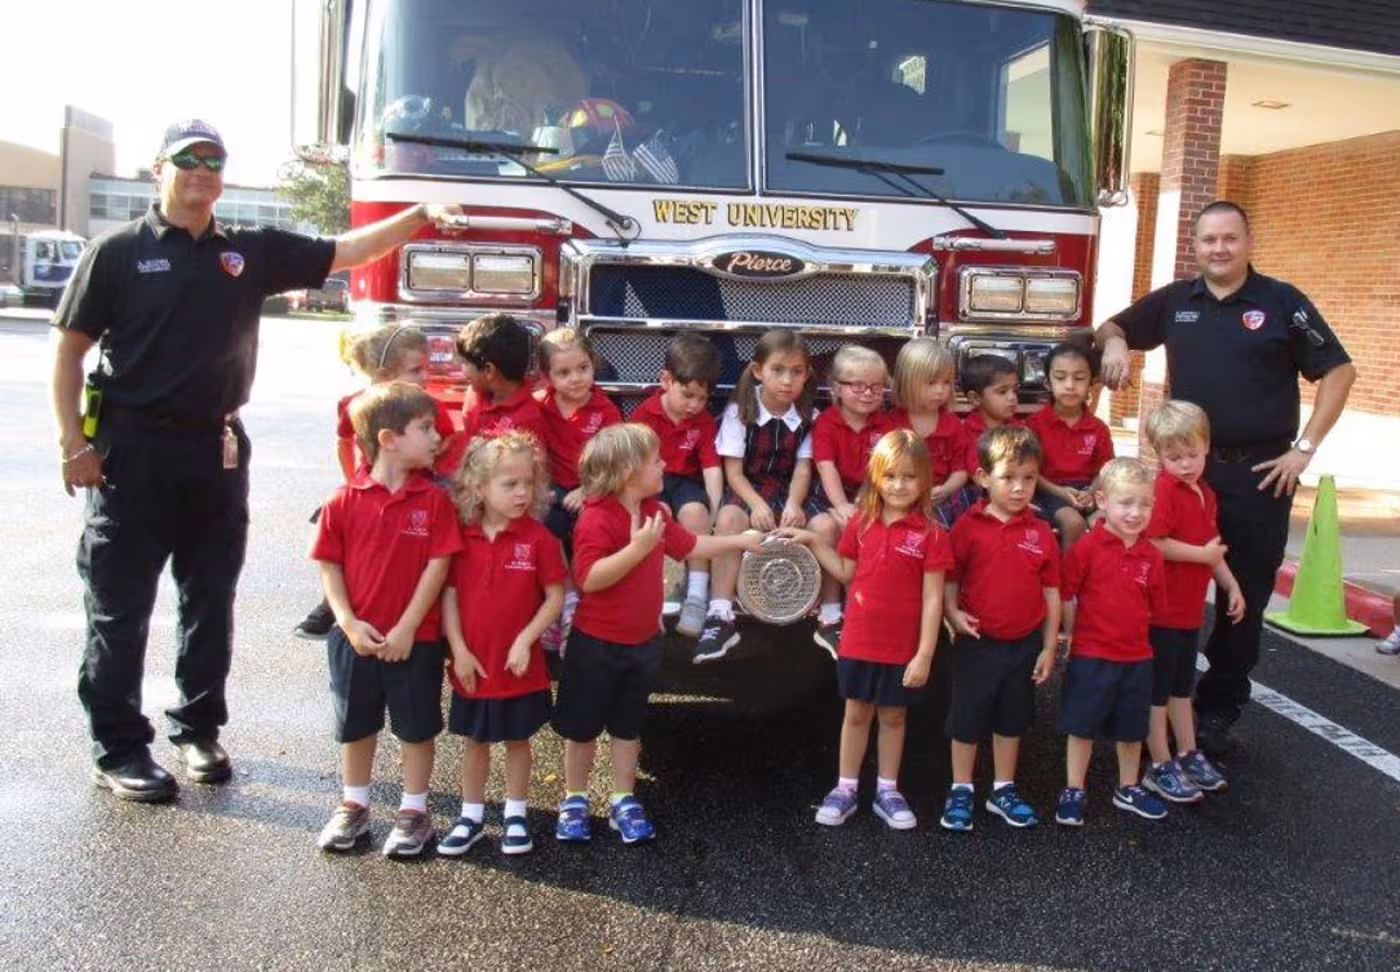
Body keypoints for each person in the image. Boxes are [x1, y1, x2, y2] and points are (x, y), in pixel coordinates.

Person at [52, 118, 462, 802]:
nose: (202, 172)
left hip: (215, 449)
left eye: (214, 162)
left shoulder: (247, 252)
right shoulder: (117, 252)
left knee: (209, 600)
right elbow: (70, 350)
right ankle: (118, 746)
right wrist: (73, 443)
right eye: (188, 161)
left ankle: (198, 729)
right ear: (161, 170)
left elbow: (346, 250)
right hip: (131, 451)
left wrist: (417, 216)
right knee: (119, 609)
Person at [1096, 200, 1356, 754]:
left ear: (1247, 241)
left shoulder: (1281, 301)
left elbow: (1339, 369)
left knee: (1246, 597)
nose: (1219, 248)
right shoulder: (1176, 301)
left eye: (1230, 238)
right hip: (1186, 476)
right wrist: (1116, 341)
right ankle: (1155, 703)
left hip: (1261, 476)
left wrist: (1304, 449)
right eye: (1209, 239)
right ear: (1196, 245)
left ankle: (1217, 708)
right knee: (1164, 586)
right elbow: (1111, 325)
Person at [552, 424, 764, 844]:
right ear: (629, 471)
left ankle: (622, 799)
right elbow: (589, 578)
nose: (665, 464)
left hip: (641, 644)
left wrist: (739, 540)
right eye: (656, 460)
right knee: (582, 729)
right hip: (594, 645)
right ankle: (574, 799)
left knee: (628, 729)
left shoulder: (657, 513)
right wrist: (637, 548)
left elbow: (689, 547)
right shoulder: (597, 517)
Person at [310, 382, 463, 856]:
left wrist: (407, 629)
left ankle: (415, 812)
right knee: (356, 726)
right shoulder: (342, 500)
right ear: (388, 439)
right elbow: (328, 567)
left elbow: (438, 568)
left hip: (414, 642)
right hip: (355, 639)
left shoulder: (434, 502)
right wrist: (350, 624)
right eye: (425, 428)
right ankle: (353, 806)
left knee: (416, 728)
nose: (437, 436)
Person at [786, 430, 951, 831]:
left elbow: (933, 599)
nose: (899, 485)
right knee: (856, 713)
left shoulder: (931, 533)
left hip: (903, 648)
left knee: (894, 716)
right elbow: (847, 573)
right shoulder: (860, 523)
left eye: (910, 477)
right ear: (876, 476)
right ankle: (844, 788)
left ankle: (888, 790)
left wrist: (925, 654)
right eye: (891, 475)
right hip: (859, 640)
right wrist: (811, 539)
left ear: (925, 481)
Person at [440, 432, 565, 857]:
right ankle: (471, 815)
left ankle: (515, 813)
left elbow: (555, 597)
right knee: (475, 743)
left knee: (517, 740)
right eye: (509, 484)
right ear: (479, 487)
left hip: (518, 666)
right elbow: (450, 595)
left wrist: (526, 641)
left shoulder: (539, 539)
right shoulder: (463, 536)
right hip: (474, 663)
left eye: (528, 483)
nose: (522, 493)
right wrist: (458, 649)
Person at [294, 323, 460, 640]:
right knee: (351, 548)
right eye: (415, 371)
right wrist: (349, 480)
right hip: (368, 489)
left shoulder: (427, 406)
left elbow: (447, 439)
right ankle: (332, 607)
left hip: (418, 489)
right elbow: (343, 441)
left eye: (426, 368)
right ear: (385, 375)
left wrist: (433, 464)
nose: (424, 377)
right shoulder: (356, 404)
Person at [941, 427, 1061, 832]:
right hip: (977, 641)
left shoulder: (1042, 531)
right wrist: (952, 615)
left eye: (1028, 478)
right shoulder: (967, 526)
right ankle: (961, 788)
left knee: (1012, 720)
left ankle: (1003, 789)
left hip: (1024, 643)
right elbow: (950, 578)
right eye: (1008, 477)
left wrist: (1049, 646)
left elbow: (1051, 592)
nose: (1019, 487)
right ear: (982, 477)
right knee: (967, 719)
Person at [695, 330, 824, 664]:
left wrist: (794, 504)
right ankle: (720, 614)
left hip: (789, 490)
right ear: (757, 371)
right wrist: (755, 504)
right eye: (778, 370)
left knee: (821, 524)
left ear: (807, 375)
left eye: (797, 372)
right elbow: (733, 473)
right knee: (728, 520)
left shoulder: (810, 416)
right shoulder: (741, 411)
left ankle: (830, 614)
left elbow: (802, 470)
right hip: (749, 489)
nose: (787, 380)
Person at [1054, 458, 1169, 827]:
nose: (1136, 512)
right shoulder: (1087, 549)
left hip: (1136, 656)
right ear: (1102, 500)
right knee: (1082, 725)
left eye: (1144, 504)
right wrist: (1070, 635)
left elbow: (1154, 605)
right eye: (1126, 503)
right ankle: (1074, 788)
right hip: (1092, 654)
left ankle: (1128, 786)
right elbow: (1067, 592)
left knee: (1132, 728)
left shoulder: (1151, 554)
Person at [1140, 401, 1243, 804]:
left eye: (1192, 455)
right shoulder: (1164, 490)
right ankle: (1160, 762)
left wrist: (1230, 585)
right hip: (1161, 610)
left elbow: (1211, 548)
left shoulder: (1206, 493)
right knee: (1157, 691)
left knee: (1181, 688)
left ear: (1207, 448)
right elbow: (1154, 542)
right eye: (1174, 457)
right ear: (1159, 455)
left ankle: (1188, 753)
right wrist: (1204, 558)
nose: (1185, 464)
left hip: (1187, 611)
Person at [631, 332, 725, 638]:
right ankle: (667, 587)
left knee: (696, 512)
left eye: (702, 398)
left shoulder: (703, 421)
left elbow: (711, 468)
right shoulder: (645, 414)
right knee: (657, 516)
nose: (695, 405)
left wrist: (713, 511)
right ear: (666, 380)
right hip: (650, 481)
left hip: (685, 481)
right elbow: (633, 464)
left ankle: (697, 592)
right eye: (688, 394)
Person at [809, 345, 895, 655]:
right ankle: (830, 615)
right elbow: (825, 467)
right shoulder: (826, 423)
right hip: (828, 493)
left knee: (865, 530)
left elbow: (885, 469)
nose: (868, 393)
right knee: (828, 529)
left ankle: (864, 610)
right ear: (836, 388)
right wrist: (841, 506)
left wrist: (863, 503)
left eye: (876, 386)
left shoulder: (887, 426)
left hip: (871, 493)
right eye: (857, 385)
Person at [534, 328, 623, 557]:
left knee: (594, 525)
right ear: (547, 376)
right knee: (546, 522)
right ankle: (565, 588)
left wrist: (588, 490)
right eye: (563, 373)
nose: (575, 378)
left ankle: (590, 579)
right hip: (553, 490)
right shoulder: (539, 406)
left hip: (596, 488)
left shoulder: (606, 411)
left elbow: (614, 462)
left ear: (593, 364)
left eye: (583, 368)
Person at [1025, 340, 1114, 550]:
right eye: (1060, 377)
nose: (1070, 385)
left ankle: (1100, 578)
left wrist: (1091, 492)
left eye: (1079, 378)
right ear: (1048, 383)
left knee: (1107, 521)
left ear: (1091, 383)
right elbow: (1029, 471)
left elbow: (1106, 470)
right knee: (1073, 523)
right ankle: (1066, 581)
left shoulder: (1098, 428)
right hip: (1048, 491)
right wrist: (1061, 491)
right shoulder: (1033, 425)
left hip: (1088, 491)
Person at [888, 337, 975, 528]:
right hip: (899, 496)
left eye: (946, 382)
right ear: (907, 381)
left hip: (942, 498)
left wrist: (946, 489)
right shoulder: (890, 424)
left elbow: (961, 470)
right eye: (931, 383)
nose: (940, 390)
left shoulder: (953, 425)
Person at [455, 312, 548, 451]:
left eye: (465, 362)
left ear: (488, 370)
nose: (461, 368)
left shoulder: (530, 418)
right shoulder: (473, 394)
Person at [959, 354, 1023, 475]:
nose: (1012, 397)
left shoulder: (1019, 428)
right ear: (975, 398)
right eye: (1002, 392)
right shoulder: (966, 432)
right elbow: (976, 473)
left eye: (1015, 390)